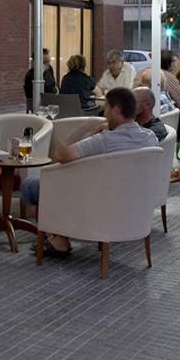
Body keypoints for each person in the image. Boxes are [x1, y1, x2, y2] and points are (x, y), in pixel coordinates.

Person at [20, 87, 158, 255]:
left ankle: (58, 239)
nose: (104, 113)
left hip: (96, 205)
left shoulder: (105, 140)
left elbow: (60, 154)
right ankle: (59, 238)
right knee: (65, 185)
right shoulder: (150, 138)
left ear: (116, 110)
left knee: (30, 185)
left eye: (106, 108)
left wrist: (85, 127)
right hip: (134, 206)